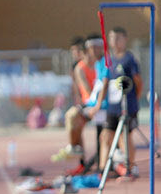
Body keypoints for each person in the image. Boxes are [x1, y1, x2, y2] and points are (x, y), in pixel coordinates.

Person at [60, 36, 109, 174]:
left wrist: (96, 104)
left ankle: (101, 162)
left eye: (76, 51)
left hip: (98, 105)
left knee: (102, 131)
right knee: (74, 120)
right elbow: (82, 89)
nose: (74, 54)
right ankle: (77, 151)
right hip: (89, 103)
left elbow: (99, 86)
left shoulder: (100, 64)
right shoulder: (78, 67)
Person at [100, 27, 142, 176]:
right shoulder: (109, 59)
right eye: (112, 38)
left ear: (125, 39)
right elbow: (105, 82)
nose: (115, 42)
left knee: (125, 137)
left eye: (118, 38)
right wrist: (99, 104)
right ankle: (103, 170)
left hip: (127, 106)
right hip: (112, 106)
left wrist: (134, 100)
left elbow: (138, 81)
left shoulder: (129, 59)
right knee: (106, 136)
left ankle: (130, 168)